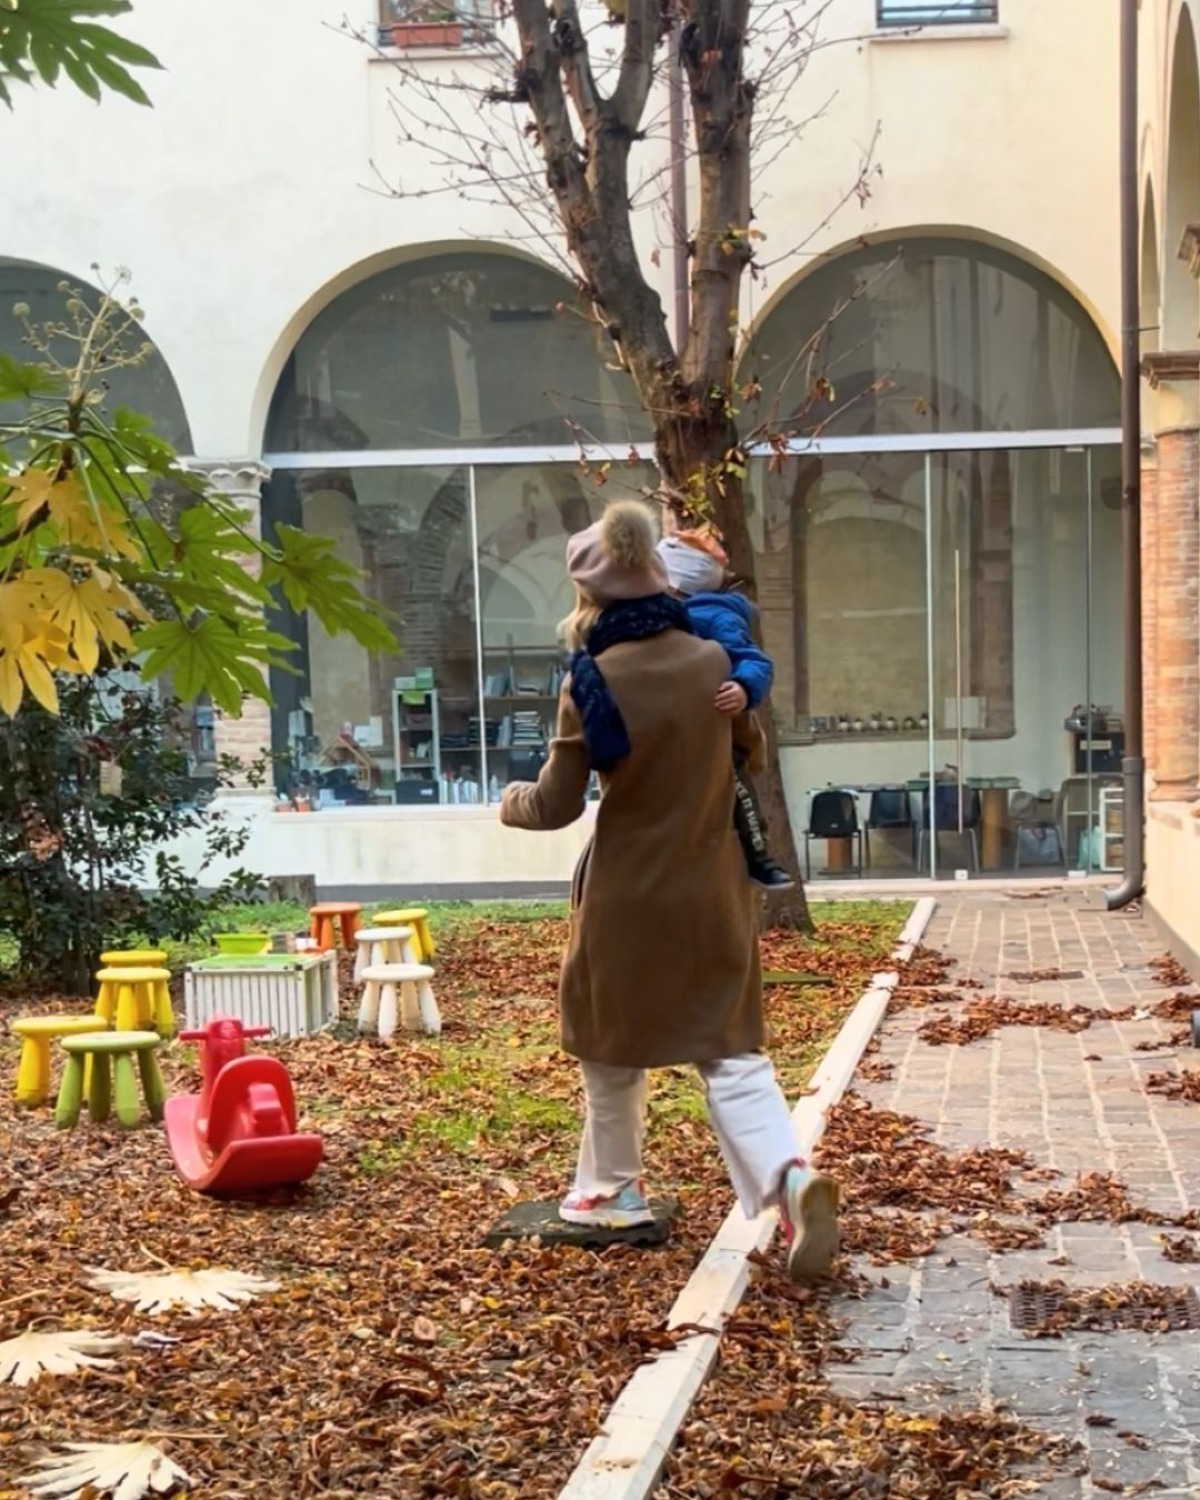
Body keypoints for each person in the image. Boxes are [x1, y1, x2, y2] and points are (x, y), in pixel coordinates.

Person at [499, 499, 839, 1281]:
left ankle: (611, 1190)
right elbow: (745, 758)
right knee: (731, 1053)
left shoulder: (592, 679)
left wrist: (509, 802)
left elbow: (555, 805)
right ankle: (789, 1181)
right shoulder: (717, 667)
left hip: (626, 897)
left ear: (592, 599)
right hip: (713, 891)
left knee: (612, 1051)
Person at [656, 529, 793, 891]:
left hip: (715, 725)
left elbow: (754, 661)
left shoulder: (715, 616)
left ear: (675, 584)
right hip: (676, 725)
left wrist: (743, 688)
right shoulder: (659, 613)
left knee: (735, 785)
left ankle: (759, 854)